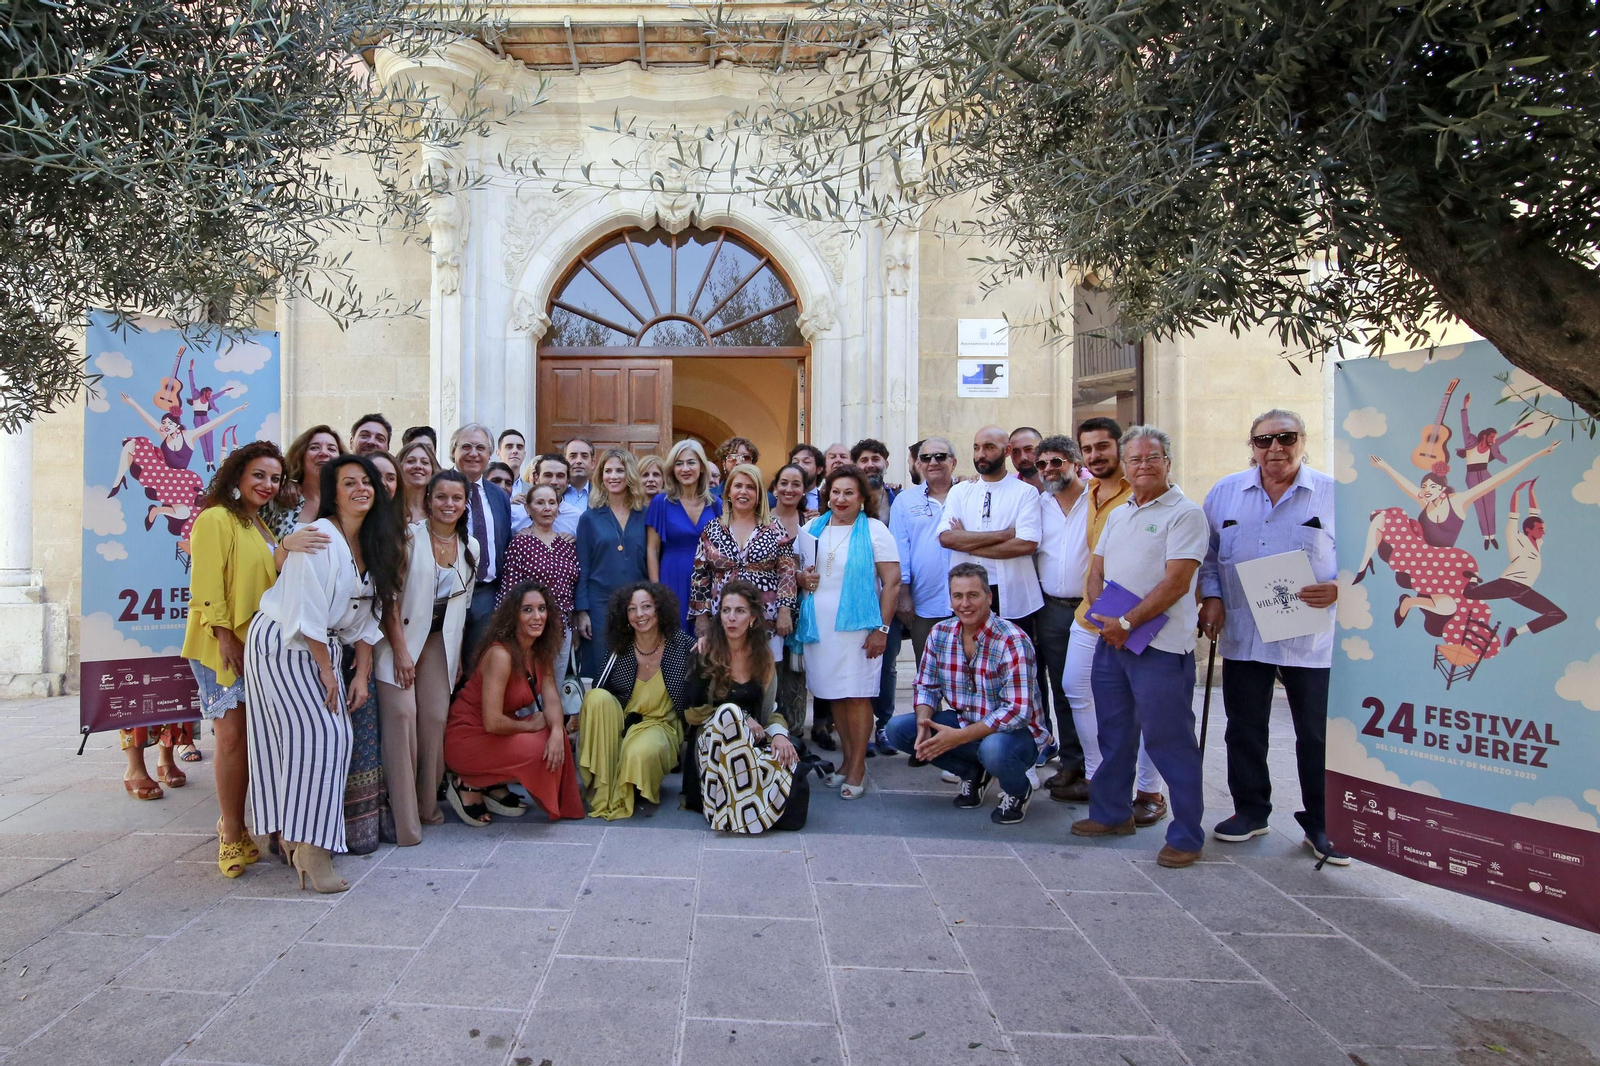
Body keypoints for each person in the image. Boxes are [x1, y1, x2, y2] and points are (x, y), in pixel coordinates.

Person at [244, 453, 399, 893]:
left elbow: (371, 616)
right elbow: (307, 606)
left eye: (366, 481)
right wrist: (329, 671)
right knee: (327, 738)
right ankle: (311, 850)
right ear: (333, 493)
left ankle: (298, 841)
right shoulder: (319, 537)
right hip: (284, 642)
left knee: (314, 741)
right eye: (349, 482)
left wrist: (362, 674)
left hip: (322, 646)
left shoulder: (372, 542)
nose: (360, 489)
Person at [1198, 410, 1345, 864]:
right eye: (1264, 440)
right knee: (1243, 728)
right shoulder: (1225, 493)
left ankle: (1322, 822)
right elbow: (1207, 557)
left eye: (1285, 438)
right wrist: (1212, 597)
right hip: (1245, 630)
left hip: (1310, 636)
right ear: (1252, 444)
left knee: (1316, 735)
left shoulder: (1335, 494)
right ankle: (1250, 810)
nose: (1275, 448)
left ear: (1303, 440)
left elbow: (1372, 557)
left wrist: (1341, 587)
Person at [176, 443, 326, 876]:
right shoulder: (215, 518)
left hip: (256, 648)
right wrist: (225, 637)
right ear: (238, 476)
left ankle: (243, 825)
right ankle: (230, 832)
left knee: (247, 740)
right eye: (259, 475)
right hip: (221, 645)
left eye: (275, 478)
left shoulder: (257, 523)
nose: (267, 484)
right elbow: (205, 586)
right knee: (230, 739)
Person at [1071, 427, 1209, 869]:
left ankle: (1187, 835)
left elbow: (1177, 582)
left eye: (1153, 457)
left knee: (1170, 742)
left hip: (1161, 649)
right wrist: (1101, 616)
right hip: (1112, 642)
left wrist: (1127, 622)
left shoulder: (1185, 515)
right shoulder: (1120, 513)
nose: (1143, 464)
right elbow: (1096, 571)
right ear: (1126, 467)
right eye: (1135, 459)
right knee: (1113, 733)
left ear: (1168, 462)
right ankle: (1112, 814)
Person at [1051, 418, 1163, 814]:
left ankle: (1149, 791)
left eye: (1103, 446)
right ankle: (1102, 779)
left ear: (1121, 447)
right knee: (1076, 689)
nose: (1096, 455)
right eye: (1089, 449)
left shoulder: (1145, 492)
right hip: (1092, 613)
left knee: (1143, 702)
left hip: (1138, 615)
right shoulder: (1092, 490)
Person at [886, 564, 1050, 823]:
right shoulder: (940, 633)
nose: (965, 604)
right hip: (966, 723)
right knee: (898, 729)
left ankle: (1019, 791)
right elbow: (926, 685)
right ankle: (973, 773)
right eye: (957, 596)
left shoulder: (1012, 639)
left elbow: (1016, 712)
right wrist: (923, 722)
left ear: (989, 597)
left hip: (1015, 734)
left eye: (973, 595)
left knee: (994, 749)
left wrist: (958, 737)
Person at [1354, 443, 1556, 652]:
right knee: (1386, 517)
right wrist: (1385, 466)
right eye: (1423, 488)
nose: (1425, 491)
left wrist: (1536, 454)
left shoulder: (1458, 502)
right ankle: (1364, 565)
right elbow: (1403, 484)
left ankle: (1409, 603)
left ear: (1442, 489)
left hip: (1441, 565)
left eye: (1431, 487)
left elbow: (1498, 479)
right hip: (1418, 555)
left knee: (1449, 607)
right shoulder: (1425, 501)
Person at [375, 470, 479, 846]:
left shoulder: (472, 547)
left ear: (466, 504)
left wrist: (459, 655)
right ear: (429, 499)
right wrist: (400, 652)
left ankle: (426, 806)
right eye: (442, 497)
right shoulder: (408, 539)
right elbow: (388, 599)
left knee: (435, 717)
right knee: (404, 716)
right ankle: (405, 823)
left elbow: (462, 608)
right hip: (398, 638)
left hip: (439, 642)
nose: (449, 505)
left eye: (457, 498)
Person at [796, 464, 901, 798]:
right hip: (821, 629)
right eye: (835, 492)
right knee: (834, 694)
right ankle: (846, 761)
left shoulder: (873, 530)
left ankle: (858, 768)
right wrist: (802, 579)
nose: (840, 499)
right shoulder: (813, 526)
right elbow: (800, 572)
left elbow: (892, 583)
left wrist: (881, 630)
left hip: (859, 629)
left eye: (848, 493)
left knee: (856, 695)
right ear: (827, 495)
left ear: (861, 499)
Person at [443, 581, 585, 825]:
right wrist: (530, 727)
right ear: (513, 616)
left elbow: (551, 698)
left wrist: (555, 732)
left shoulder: (539, 649)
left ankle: (490, 784)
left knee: (555, 738)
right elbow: (492, 721)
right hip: (468, 736)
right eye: (527, 610)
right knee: (537, 748)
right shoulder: (500, 655)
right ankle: (468, 782)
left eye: (542, 609)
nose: (537, 616)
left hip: (499, 732)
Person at [688, 581, 808, 833]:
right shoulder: (705, 652)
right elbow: (691, 713)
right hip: (711, 744)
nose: (732, 618)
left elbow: (772, 709)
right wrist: (740, 716)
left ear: (752, 618)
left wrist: (778, 734)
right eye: (726, 611)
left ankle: (740, 810)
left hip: (751, 742)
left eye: (740, 611)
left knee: (786, 755)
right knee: (729, 712)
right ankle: (747, 813)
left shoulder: (762, 657)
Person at [575, 582, 697, 820]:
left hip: (661, 726)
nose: (639, 615)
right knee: (595, 696)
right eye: (632, 609)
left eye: (646, 607)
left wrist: (708, 647)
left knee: (637, 753)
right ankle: (604, 788)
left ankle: (629, 782)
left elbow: (708, 673)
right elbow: (600, 691)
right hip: (623, 721)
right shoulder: (620, 647)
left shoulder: (681, 644)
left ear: (659, 609)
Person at [937, 426, 1043, 634]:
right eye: (976, 448)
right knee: (970, 660)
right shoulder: (960, 491)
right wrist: (1004, 535)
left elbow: (1026, 544)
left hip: (1014, 593)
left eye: (989, 447)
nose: (980, 454)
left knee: (1016, 662)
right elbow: (947, 538)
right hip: (967, 593)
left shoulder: (1026, 493)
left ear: (1007, 451)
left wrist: (967, 543)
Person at [689, 463, 797, 654]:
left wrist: (785, 611)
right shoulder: (712, 529)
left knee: (764, 679)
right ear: (728, 491)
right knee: (724, 675)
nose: (743, 492)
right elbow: (700, 575)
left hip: (766, 620)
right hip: (723, 620)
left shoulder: (775, 528)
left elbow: (787, 573)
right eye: (738, 486)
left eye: (750, 487)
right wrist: (701, 616)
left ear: (759, 494)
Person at [1031, 435, 1088, 777]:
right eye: (1042, 464)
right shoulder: (1038, 504)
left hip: (1093, 607)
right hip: (1051, 609)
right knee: (1062, 688)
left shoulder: (1097, 500)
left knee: (1097, 690)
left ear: (1074, 463)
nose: (1049, 469)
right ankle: (1072, 763)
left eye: (1056, 462)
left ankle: (1100, 767)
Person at [573, 448, 651, 676]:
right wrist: (583, 611)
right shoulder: (589, 517)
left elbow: (653, 558)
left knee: (637, 667)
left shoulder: (645, 514)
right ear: (600, 476)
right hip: (600, 604)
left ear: (630, 475)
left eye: (620, 470)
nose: (613, 476)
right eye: (608, 471)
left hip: (638, 603)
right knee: (601, 666)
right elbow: (583, 567)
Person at [1462, 479, 1566, 646]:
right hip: (1509, 584)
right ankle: (1474, 579)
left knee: (1558, 615)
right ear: (1528, 529)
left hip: (1523, 589)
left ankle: (1516, 632)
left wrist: (1531, 490)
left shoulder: (1538, 543)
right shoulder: (1515, 537)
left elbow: (1534, 513)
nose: (1543, 532)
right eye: (1540, 529)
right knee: (1468, 594)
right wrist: (1516, 492)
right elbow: (1514, 515)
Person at [502, 483, 581, 673]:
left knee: (556, 685)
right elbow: (509, 589)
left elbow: (575, 587)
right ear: (528, 509)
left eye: (552, 503)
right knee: (530, 691)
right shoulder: (520, 543)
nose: (547, 508)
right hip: (530, 626)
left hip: (563, 628)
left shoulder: (567, 544)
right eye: (540, 503)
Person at [453, 422, 514, 664]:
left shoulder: (499, 495)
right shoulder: (437, 487)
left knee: (478, 665)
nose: (473, 453)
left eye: (480, 448)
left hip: (486, 595)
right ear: (454, 452)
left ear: (490, 455)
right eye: (465, 447)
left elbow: (505, 541)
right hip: (448, 593)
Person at [646, 440, 720, 626]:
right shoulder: (660, 502)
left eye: (691, 462)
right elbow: (652, 550)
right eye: (679, 464)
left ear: (702, 467)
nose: (685, 468)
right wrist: (656, 590)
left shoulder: (716, 504)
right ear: (672, 469)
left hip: (708, 580)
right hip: (672, 576)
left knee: (707, 642)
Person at [768, 463, 814, 734]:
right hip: (770, 607)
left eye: (796, 484)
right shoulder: (761, 520)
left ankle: (795, 730)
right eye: (783, 483)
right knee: (770, 670)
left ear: (804, 488)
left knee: (796, 671)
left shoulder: (812, 523)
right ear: (774, 487)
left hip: (805, 609)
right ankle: (771, 729)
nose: (789, 489)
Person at [1456, 393, 1533, 548]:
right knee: (1479, 504)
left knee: (1490, 504)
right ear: (1485, 435)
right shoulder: (1470, 441)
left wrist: (1518, 429)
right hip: (1471, 476)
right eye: (1491, 437)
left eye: (1494, 438)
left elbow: (1505, 438)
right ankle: (1486, 537)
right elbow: (1465, 426)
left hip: (1485, 474)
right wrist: (1465, 407)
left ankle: (1493, 536)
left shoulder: (1494, 446)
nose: (1493, 440)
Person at [267, 425, 343, 537]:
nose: (324, 453)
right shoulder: (280, 498)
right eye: (314, 448)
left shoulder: (347, 502)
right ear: (300, 455)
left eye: (331, 449)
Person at [530, 453, 585, 538]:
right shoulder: (516, 514)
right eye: (548, 475)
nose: (554, 482)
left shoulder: (577, 518)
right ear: (536, 478)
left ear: (568, 481)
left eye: (560, 476)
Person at [396, 438, 441, 526]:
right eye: (410, 461)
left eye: (424, 462)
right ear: (399, 468)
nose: (418, 466)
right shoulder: (387, 510)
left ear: (432, 470)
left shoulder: (439, 510)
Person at [788, 443, 826, 516]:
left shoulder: (827, 500)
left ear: (819, 469)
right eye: (795, 463)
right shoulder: (782, 497)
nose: (800, 466)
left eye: (806, 462)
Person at [1009, 426, 1044, 490]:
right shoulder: (1008, 488)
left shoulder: (1060, 486)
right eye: (1016, 452)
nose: (1023, 457)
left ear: (1042, 449)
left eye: (1028, 449)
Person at [563, 437, 594, 509]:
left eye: (584, 456)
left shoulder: (603, 495)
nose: (579, 461)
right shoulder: (555, 492)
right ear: (564, 462)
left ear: (592, 463)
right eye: (573, 456)